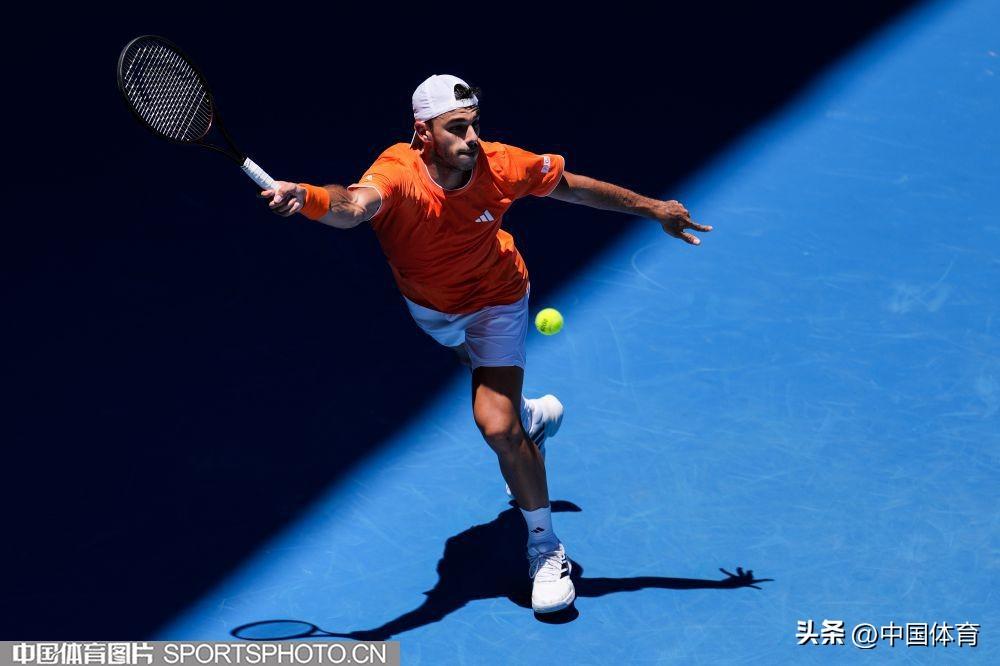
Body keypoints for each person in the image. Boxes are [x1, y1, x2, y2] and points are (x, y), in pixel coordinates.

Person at [260, 74, 711, 614]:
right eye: (456, 127)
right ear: (423, 133)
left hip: (498, 298)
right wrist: (307, 197)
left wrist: (654, 208)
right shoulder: (397, 173)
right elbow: (352, 206)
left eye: (474, 124)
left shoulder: (500, 164)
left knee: (495, 423)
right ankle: (531, 418)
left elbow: (572, 186)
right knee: (491, 389)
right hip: (432, 308)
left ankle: (546, 546)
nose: (471, 137)